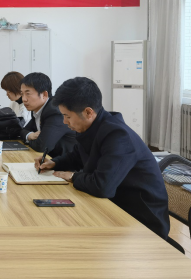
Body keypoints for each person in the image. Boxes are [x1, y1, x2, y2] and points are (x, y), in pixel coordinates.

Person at [36, 77, 170, 240]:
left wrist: (73, 176)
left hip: (141, 221)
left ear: (88, 112)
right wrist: (54, 163)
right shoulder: (94, 126)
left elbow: (102, 186)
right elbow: (77, 156)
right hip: (114, 206)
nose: (64, 122)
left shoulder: (118, 136)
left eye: (67, 116)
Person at [19, 72, 76, 157]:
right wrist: (29, 135)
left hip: (66, 161)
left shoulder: (55, 112)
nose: (24, 99)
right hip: (50, 159)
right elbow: (23, 131)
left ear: (44, 95)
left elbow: (41, 146)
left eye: (28, 94)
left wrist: (30, 138)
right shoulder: (37, 109)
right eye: (22, 94)